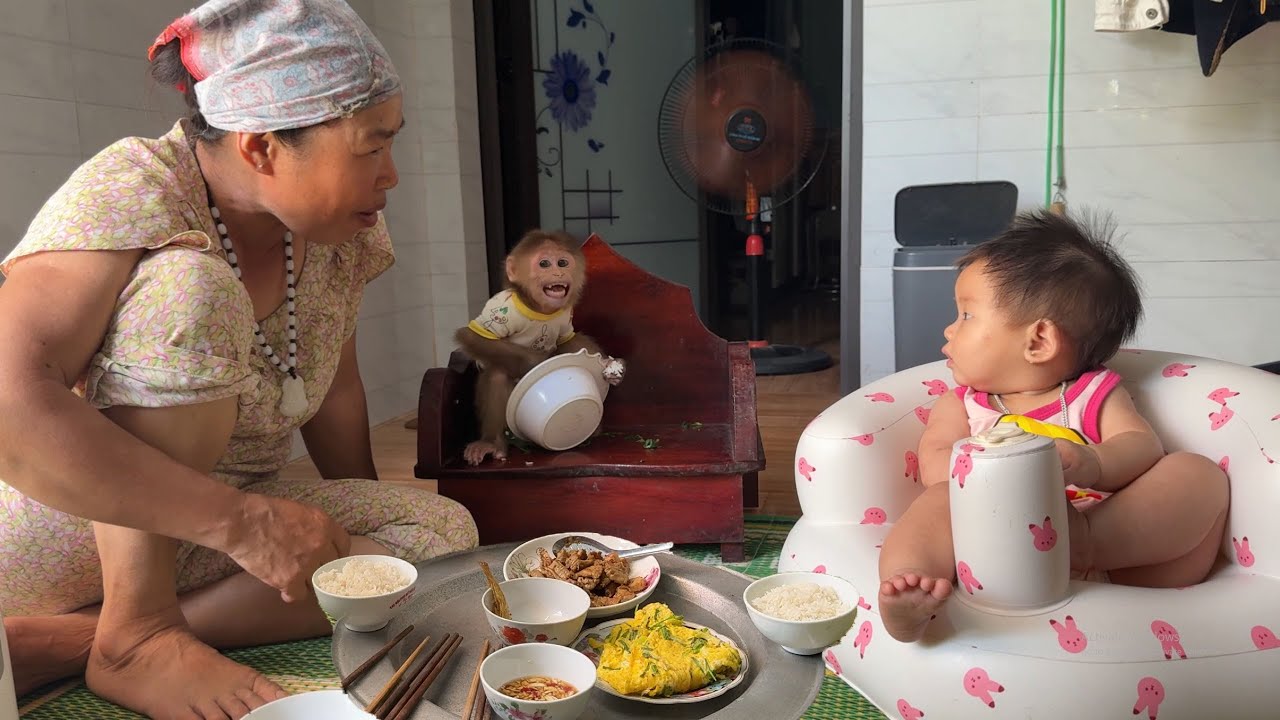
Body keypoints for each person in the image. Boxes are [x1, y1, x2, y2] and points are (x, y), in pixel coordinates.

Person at [0, 1, 478, 717]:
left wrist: (359, 547)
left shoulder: (331, 233)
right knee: (190, 286)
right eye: (371, 147)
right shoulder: (136, 185)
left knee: (439, 539)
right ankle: (134, 629)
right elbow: (10, 407)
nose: (392, 177)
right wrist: (246, 526)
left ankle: (69, 645)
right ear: (261, 147)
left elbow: (337, 389)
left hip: (212, 527)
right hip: (81, 515)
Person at [877, 209, 1229, 643]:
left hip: (1111, 545)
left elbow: (1142, 446)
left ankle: (1083, 543)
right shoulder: (963, 405)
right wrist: (990, 471)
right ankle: (909, 590)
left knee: (1197, 473)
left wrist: (1092, 461)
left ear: (1039, 341)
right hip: (1001, 550)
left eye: (967, 315)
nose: (949, 329)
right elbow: (934, 466)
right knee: (938, 499)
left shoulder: (1092, 393)